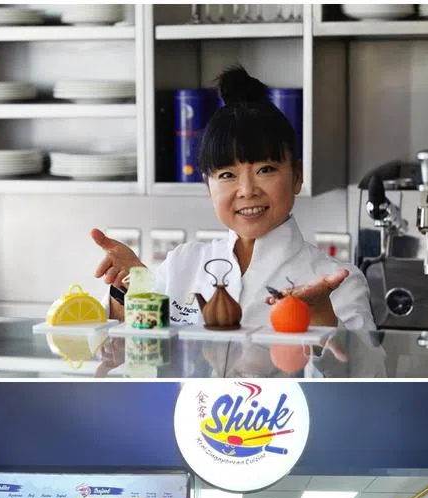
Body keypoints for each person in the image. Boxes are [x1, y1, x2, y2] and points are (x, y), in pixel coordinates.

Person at [92, 64, 374, 331]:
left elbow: (368, 376)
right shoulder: (182, 264)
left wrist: (323, 317)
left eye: (265, 169)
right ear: (208, 185)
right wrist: (129, 287)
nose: (247, 190)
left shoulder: (338, 281)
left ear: (297, 176)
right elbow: (125, 350)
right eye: (227, 175)